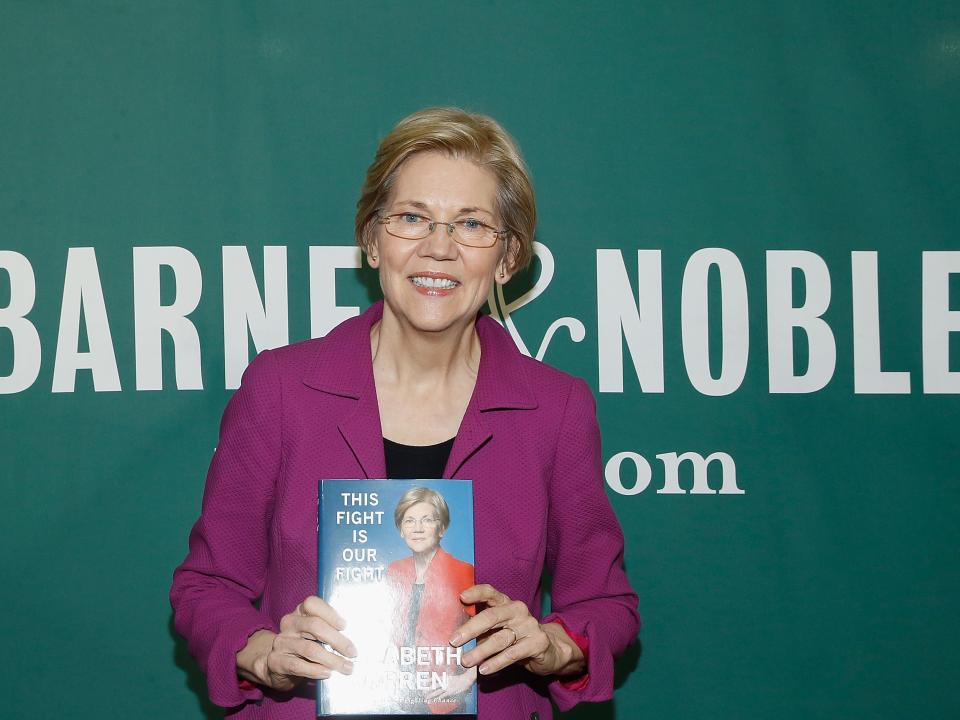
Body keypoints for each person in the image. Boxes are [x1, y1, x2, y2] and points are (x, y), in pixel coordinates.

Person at [170, 107, 640, 719]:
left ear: (506, 257)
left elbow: (606, 604)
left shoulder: (556, 408)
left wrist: (554, 644)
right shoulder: (280, 388)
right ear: (371, 239)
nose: (438, 248)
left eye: (470, 224)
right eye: (412, 217)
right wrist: (260, 650)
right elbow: (207, 586)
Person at [387, 487, 476, 713]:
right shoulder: (394, 571)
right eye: (409, 521)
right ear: (400, 530)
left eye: (427, 520)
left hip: (443, 700)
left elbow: (493, 632)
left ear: (442, 528)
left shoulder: (462, 571)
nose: (417, 528)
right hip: (398, 696)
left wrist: (467, 679)